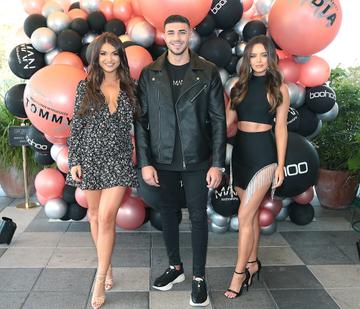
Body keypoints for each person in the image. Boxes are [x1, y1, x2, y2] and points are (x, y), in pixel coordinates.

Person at [136, 15, 226, 307]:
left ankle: (199, 277)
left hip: (198, 159)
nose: (176, 37)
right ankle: (175, 268)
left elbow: (218, 120)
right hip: (162, 160)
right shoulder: (149, 73)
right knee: (168, 214)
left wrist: (217, 163)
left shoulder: (208, 71)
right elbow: (142, 121)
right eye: (171, 32)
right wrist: (145, 162)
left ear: (190, 35)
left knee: (199, 218)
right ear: (163, 35)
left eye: (181, 32)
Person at [66, 32, 139, 309]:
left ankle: (99, 280)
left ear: (121, 56)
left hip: (119, 160)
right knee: (94, 216)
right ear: (96, 57)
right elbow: (77, 126)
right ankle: (106, 265)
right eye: (104, 54)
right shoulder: (85, 87)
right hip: (91, 159)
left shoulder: (130, 86)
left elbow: (140, 125)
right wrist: (74, 159)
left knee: (107, 217)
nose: (109, 59)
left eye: (114, 53)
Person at [224, 35, 290, 299]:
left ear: (270, 57)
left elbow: (282, 128)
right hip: (241, 153)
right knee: (249, 216)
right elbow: (227, 121)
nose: (259, 61)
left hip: (264, 155)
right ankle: (252, 263)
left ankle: (238, 274)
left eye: (263, 55)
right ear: (247, 59)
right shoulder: (239, 87)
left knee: (243, 216)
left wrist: (281, 165)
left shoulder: (279, 88)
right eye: (253, 56)